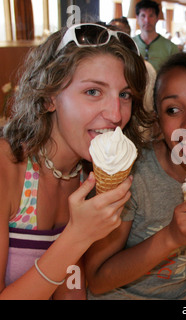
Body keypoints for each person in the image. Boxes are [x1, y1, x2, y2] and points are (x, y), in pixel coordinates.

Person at [0, 23, 150, 299]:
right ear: (48, 98)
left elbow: (72, 289)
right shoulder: (6, 169)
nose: (116, 115)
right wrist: (78, 236)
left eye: (124, 95)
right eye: (93, 91)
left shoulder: (89, 173)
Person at [85, 52, 186, 300]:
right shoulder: (134, 174)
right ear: (157, 122)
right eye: (173, 110)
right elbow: (97, 279)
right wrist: (171, 237)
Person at [133, 0, 179, 71]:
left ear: (157, 18)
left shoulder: (171, 48)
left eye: (151, 16)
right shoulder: (129, 44)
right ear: (137, 18)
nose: (147, 20)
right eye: (143, 16)